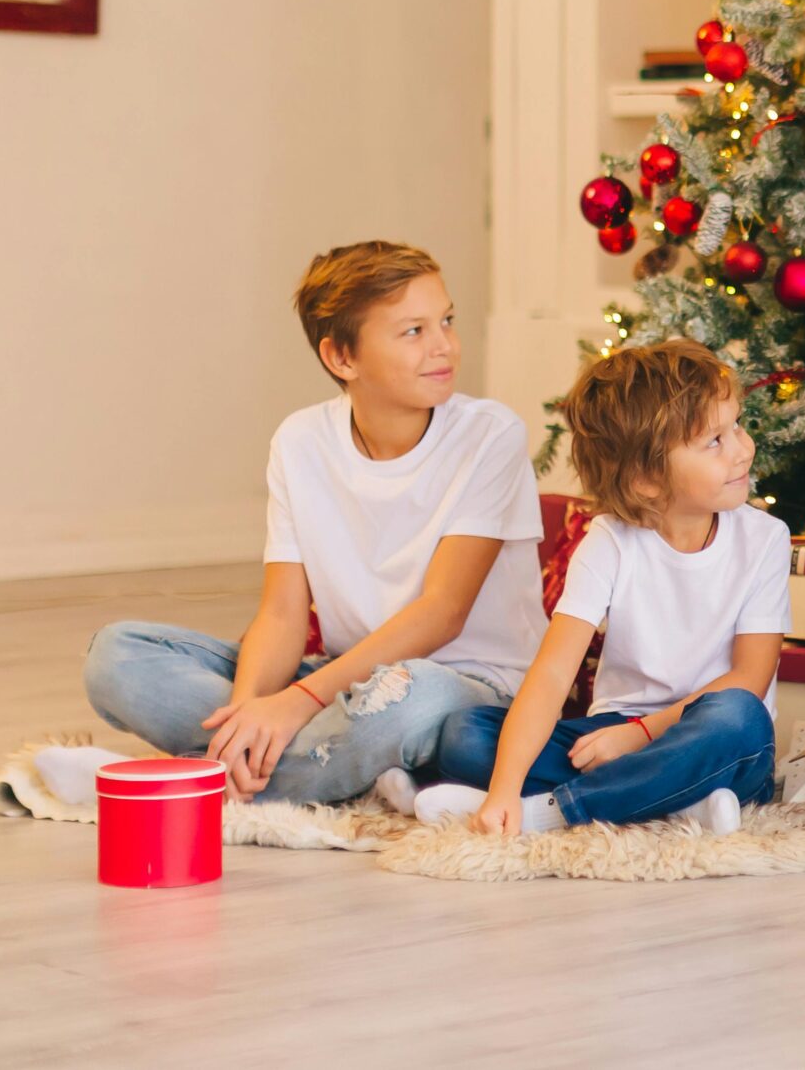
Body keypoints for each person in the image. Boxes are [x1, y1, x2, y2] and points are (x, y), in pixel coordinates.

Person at [59, 242, 547, 808]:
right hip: (342, 681)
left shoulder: (490, 435)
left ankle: (183, 785)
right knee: (116, 656)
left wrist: (299, 702)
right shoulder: (299, 442)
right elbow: (282, 613)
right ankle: (296, 767)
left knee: (404, 704)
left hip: (463, 687)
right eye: (413, 331)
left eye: (446, 321)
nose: (444, 346)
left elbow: (443, 612)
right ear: (342, 359)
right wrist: (249, 712)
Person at [417, 340, 787, 835]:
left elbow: (750, 679)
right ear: (646, 481)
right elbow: (551, 675)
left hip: (711, 737)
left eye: (736, 426)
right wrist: (504, 784)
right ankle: (675, 802)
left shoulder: (765, 538)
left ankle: (552, 811)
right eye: (715, 441)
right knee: (466, 735)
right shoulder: (610, 541)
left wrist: (639, 736)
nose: (743, 448)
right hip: (611, 732)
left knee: (739, 717)